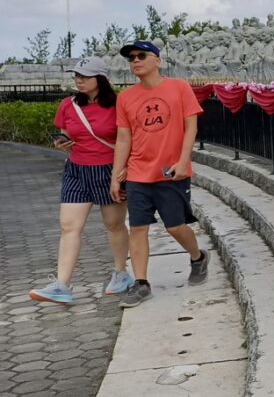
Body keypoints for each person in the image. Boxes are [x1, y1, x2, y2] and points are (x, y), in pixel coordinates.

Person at [110, 40, 208, 308]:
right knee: (138, 227)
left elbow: (191, 128)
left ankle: (198, 257)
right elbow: (123, 138)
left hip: (171, 172)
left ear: (157, 60)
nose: (135, 61)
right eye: (131, 58)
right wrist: (116, 175)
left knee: (175, 226)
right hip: (139, 173)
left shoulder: (179, 88)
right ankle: (141, 283)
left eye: (141, 56)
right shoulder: (126, 98)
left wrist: (183, 160)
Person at [29, 57, 132, 305]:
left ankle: (121, 273)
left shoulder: (119, 104)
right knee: (68, 226)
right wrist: (61, 142)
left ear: (101, 79)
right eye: (76, 75)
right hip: (76, 170)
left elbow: (128, 139)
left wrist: (123, 171)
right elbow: (65, 134)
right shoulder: (68, 104)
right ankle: (62, 285)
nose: (78, 80)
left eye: (84, 76)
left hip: (109, 171)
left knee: (113, 225)